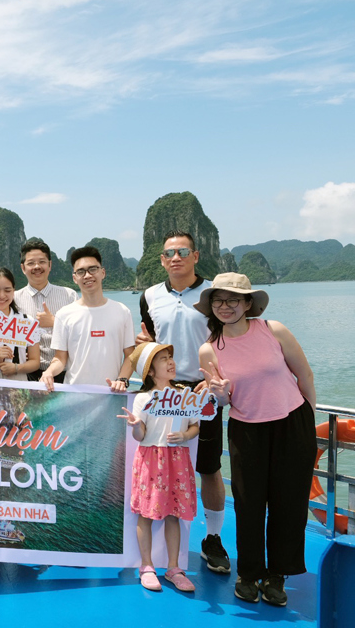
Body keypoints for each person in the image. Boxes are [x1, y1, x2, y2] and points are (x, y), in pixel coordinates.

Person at [196, 273, 316, 607]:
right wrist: (219, 395)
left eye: (234, 299)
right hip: (247, 429)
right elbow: (221, 401)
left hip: (292, 423)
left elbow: (304, 375)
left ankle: (277, 575)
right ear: (211, 307)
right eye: (219, 300)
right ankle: (248, 574)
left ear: (248, 303)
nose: (226, 306)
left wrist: (307, 420)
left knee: (289, 503)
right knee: (248, 505)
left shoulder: (273, 330)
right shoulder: (209, 349)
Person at [136, 230, 230, 575]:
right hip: (164, 393)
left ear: (196, 255)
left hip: (201, 392)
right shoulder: (149, 295)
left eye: (182, 251)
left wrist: (215, 382)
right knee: (161, 464)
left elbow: (227, 340)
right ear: (161, 260)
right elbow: (149, 341)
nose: (175, 257)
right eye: (169, 253)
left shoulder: (213, 295)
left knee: (208, 467)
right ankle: (159, 547)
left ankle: (214, 538)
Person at [118, 342, 200, 593]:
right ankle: (147, 566)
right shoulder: (143, 398)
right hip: (152, 460)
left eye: (170, 357)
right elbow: (140, 436)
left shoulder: (186, 395)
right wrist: (135, 425)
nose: (170, 362)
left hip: (177, 460)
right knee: (145, 513)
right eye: (163, 359)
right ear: (150, 371)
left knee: (173, 513)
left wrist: (185, 436)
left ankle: (174, 568)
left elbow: (196, 426)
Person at [42, 246, 134, 391]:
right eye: (81, 272)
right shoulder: (64, 314)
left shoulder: (122, 311)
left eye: (93, 269)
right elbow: (60, 358)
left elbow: (130, 355)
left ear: (102, 272)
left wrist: (122, 380)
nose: (87, 275)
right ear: (74, 278)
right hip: (74, 396)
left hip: (112, 394)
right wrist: (49, 372)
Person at [13, 240, 77, 382]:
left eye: (42, 262)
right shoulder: (13, 299)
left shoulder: (69, 295)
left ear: (50, 265)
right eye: (31, 263)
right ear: (23, 268)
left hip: (65, 373)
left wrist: (55, 322)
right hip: (27, 374)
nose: (37, 267)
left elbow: (82, 332)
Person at [0, 268, 40, 381]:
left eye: (7, 290)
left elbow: (35, 362)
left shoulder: (27, 321)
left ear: (13, 291)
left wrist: (16, 367)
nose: (2, 295)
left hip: (19, 386)